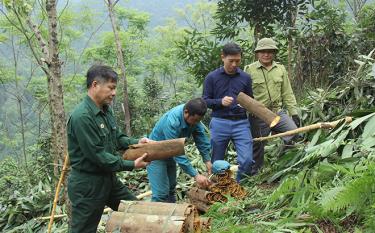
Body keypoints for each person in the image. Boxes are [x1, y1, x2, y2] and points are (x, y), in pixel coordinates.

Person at [67, 65, 150, 233]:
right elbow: (98, 156)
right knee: (83, 230)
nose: (114, 93)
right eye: (111, 88)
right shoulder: (82, 117)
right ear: (95, 85)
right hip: (88, 185)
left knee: (137, 210)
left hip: (108, 180)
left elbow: (117, 138)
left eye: (115, 88)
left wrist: (138, 142)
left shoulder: (105, 110)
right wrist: (131, 164)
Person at [244, 38, 300, 175]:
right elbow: (243, 95)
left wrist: (294, 112)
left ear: (273, 53)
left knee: (292, 132)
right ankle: (254, 174)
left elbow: (287, 92)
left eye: (269, 52)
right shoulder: (249, 70)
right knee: (258, 145)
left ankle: (283, 163)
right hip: (258, 115)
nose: (266, 54)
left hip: (277, 112)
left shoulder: (280, 69)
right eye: (263, 51)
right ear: (257, 53)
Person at [202, 42, 254, 182]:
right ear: (223, 57)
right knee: (217, 162)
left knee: (247, 160)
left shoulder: (245, 78)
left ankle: (239, 186)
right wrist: (220, 102)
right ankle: (218, 187)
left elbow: (250, 100)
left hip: (241, 123)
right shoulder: (212, 77)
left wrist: (247, 105)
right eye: (231, 61)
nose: (234, 64)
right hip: (219, 122)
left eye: (237, 61)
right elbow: (205, 101)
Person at [146, 98, 212, 203]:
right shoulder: (172, 122)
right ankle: (155, 217)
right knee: (160, 193)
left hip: (169, 153)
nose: (196, 123)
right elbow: (176, 151)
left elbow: (201, 140)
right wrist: (195, 175)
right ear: (186, 113)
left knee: (171, 188)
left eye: (198, 121)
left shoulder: (195, 119)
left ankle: (172, 215)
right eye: (194, 120)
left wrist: (207, 161)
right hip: (155, 154)